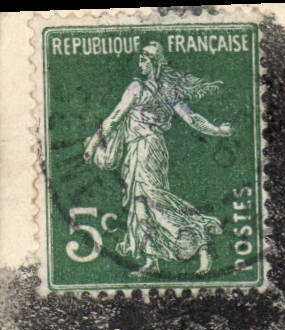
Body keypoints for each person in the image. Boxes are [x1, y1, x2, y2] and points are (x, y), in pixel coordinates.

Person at [82, 42, 233, 276]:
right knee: (141, 205)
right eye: (140, 59)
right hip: (153, 149)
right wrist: (218, 130)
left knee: (153, 202)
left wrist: (92, 144)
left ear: (155, 63)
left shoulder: (137, 87)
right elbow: (193, 119)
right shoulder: (168, 91)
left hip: (144, 150)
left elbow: (114, 117)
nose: (140, 64)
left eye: (144, 60)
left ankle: (202, 235)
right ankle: (152, 260)